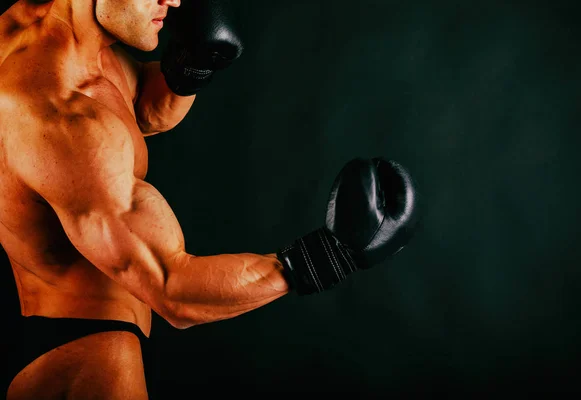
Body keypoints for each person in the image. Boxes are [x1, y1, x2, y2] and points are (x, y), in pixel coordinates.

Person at [0, 0, 420, 399]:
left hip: (59, 333)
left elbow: (136, 113)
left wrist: (188, 68)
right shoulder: (54, 113)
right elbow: (173, 290)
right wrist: (326, 257)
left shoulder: (60, 39)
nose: (177, 2)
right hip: (94, 349)